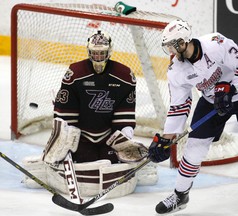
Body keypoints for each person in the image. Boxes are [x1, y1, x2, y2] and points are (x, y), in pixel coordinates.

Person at [148, 19, 238, 216]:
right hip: (212, 101)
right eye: (169, 47)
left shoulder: (216, 44)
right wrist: (167, 138)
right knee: (193, 148)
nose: (172, 52)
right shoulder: (176, 70)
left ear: (184, 41)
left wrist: (231, 88)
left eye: (174, 46)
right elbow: (179, 106)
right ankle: (180, 195)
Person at [22, 30, 157, 198]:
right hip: (82, 136)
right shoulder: (75, 73)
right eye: (95, 53)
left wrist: (125, 137)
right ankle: (46, 169)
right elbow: (65, 111)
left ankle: (142, 169)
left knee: (113, 162)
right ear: (88, 52)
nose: (98, 57)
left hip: (108, 136)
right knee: (84, 163)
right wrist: (65, 137)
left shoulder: (124, 76)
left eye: (102, 53)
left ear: (109, 52)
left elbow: (125, 113)